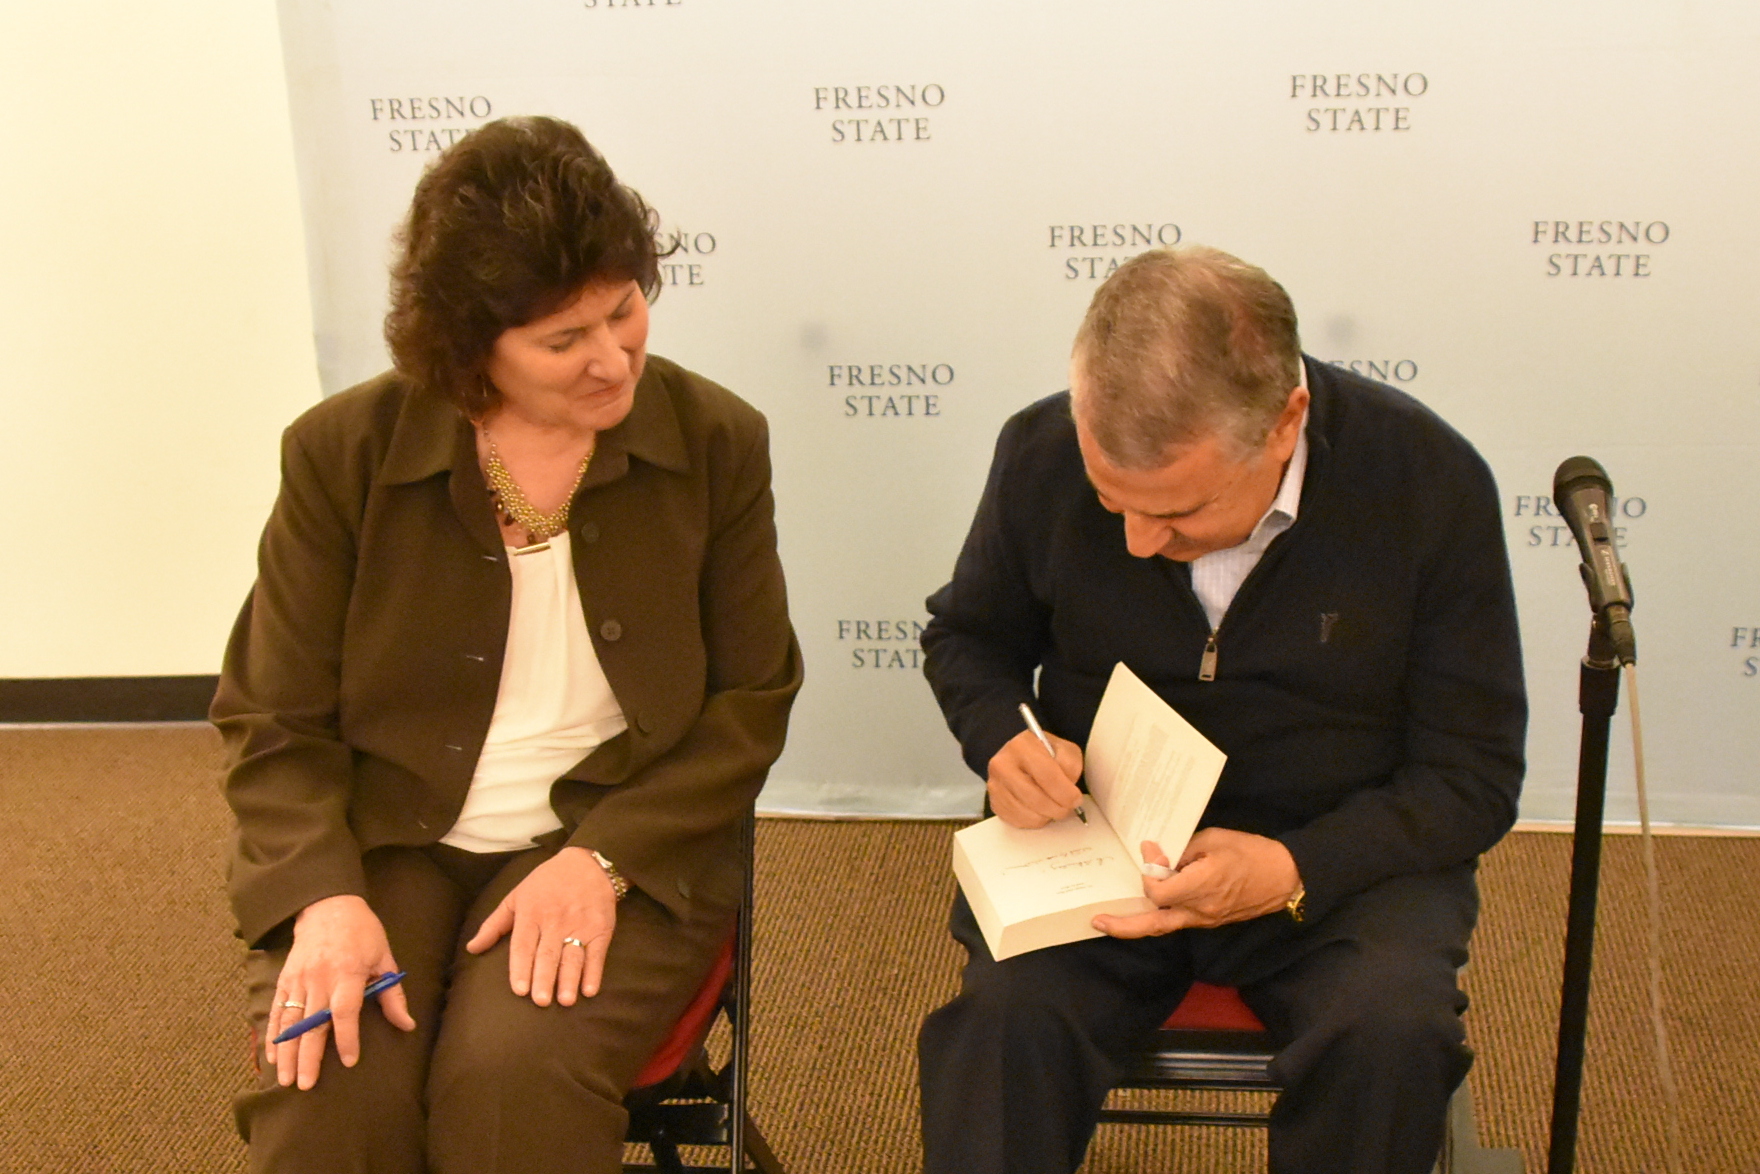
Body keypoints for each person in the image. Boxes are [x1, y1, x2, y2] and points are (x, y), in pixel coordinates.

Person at [212, 115, 802, 1174]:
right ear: (467, 347)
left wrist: (604, 860)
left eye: (623, 310)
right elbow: (273, 718)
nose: (612, 357)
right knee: (332, 1092)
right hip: (387, 839)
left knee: (509, 1083)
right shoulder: (341, 455)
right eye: (562, 340)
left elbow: (750, 702)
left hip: (612, 837)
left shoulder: (717, 441)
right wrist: (321, 897)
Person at [916, 246, 1525, 1174]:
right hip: (1103, 839)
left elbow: (1472, 775)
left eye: (1179, 513)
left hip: (1339, 852)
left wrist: (1294, 867)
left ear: (1285, 424)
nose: (1137, 541)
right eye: (1111, 501)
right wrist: (1004, 737)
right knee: (1001, 1029)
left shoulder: (1426, 481)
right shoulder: (1040, 450)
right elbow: (969, 639)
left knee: (1389, 1036)